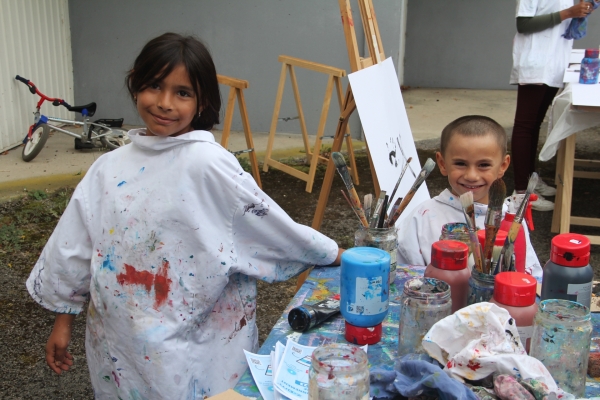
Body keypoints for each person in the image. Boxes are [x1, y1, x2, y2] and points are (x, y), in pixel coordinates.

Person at [26, 32, 342, 399]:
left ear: (202, 100)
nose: (164, 103)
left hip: (194, 345)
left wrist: (331, 254)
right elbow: (74, 247)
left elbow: (270, 225)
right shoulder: (107, 168)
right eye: (154, 86)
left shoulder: (208, 165)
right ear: (135, 85)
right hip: (116, 343)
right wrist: (63, 320)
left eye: (182, 93)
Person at [396, 115, 542, 278]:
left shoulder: (511, 222)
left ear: (503, 166)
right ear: (442, 163)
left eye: (483, 165)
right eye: (460, 163)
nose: (472, 175)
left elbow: (529, 277)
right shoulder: (422, 217)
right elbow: (402, 278)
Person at [510, 0, 595, 211]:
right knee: (525, 125)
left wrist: (582, 10)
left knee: (534, 125)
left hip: (554, 63)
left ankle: (531, 182)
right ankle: (520, 193)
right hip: (536, 62)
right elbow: (524, 24)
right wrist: (569, 12)